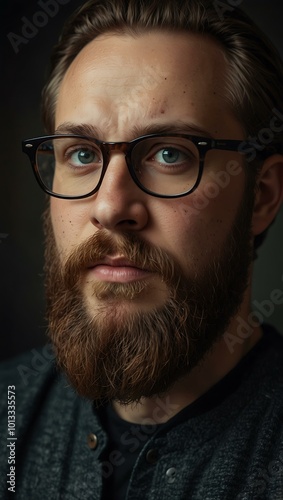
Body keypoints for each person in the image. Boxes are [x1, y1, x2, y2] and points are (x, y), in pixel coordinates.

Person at [1, 0, 283, 498]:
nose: (110, 207)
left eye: (170, 154)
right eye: (82, 155)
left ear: (260, 196)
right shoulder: (9, 409)